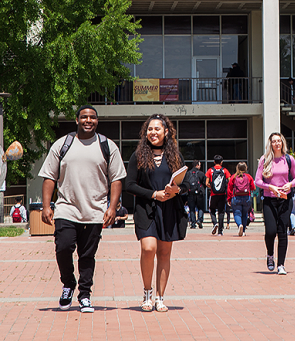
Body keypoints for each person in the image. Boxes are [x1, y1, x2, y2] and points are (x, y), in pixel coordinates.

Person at [39, 105, 126, 313]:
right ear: (76, 120)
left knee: (87, 256)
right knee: (63, 248)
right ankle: (68, 283)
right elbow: (50, 176)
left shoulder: (107, 145)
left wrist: (112, 207)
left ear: (97, 121)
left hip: (95, 211)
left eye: (93, 117)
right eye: (84, 117)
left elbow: (117, 179)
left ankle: (85, 295)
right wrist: (45, 206)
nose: (89, 120)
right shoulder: (63, 144)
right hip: (66, 209)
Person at [124, 114, 189, 313]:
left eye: (157, 129)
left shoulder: (175, 155)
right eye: (149, 129)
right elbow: (130, 185)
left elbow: (185, 184)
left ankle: (160, 297)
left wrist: (176, 190)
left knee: (164, 252)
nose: (153, 133)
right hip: (146, 208)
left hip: (169, 209)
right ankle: (147, 293)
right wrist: (153, 193)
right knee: (149, 248)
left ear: (166, 132)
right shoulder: (138, 155)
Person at [255, 132, 295, 275]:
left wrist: (290, 185)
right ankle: (269, 255)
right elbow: (257, 181)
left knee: (282, 232)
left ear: (282, 143)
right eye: (274, 141)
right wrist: (270, 187)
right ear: (271, 144)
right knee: (270, 231)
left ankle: (281, 265)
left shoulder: (289, 159)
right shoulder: (265, 160)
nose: (277, 143)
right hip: (269, 199)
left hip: (285, 199)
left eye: (279, 141)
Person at [227, 162, 255, 237]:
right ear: (246, 168)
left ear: (237, 168)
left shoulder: (233, 177)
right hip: (246, 197)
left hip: (236, 197)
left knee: (237, 213)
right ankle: (243, 231)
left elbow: (229, 189)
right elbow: (253, 187)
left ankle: (240, 225)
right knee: (245, 214)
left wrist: (229, 199)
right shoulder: (249, 177)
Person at [206, 155, 231, 236]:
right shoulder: (224, 170)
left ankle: (215, 223)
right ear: (221, 162)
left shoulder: (210, 170)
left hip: (213, 194)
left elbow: (206, 183)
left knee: (212, 209)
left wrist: (212, 187)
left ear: (214, 162)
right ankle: (220, 231)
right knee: (221, 212)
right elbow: (230, 181)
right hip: (222, 194)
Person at [186, 160, 205, 229]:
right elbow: (204, 183)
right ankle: (200, 220)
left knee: (192, 209)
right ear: (197, 165)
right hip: (199, 193)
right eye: (199, 165)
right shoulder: (201, 173)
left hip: (191, 193)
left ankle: (193, 223)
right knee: (200, 208)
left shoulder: (188, 173)